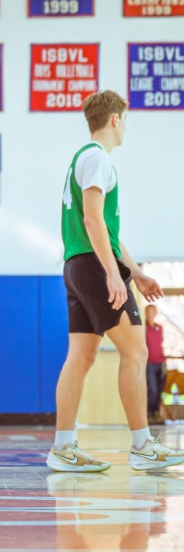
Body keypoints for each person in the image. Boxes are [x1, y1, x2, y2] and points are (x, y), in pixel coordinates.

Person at [47, 89, 184, 473]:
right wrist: (112, 272)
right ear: (114, 119)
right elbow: (93, 221)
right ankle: (142, 446)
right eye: (125, 120)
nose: (125, 127)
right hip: (93, 265)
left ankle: (63, 447)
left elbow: (106, 230)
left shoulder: (85, 158)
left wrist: (135, 271)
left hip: (77, 264)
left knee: (81, 356)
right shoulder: (97, 158)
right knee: (136, 352)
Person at [145, 304, 166, 422]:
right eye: (148, 311)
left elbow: (160, 344)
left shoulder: (159, 328)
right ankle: (149, 412)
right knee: (152, 390)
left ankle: (156, 413)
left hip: (161, 363)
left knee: (159, 390)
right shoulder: (143, 328)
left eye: (153, 311)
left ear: (156, 313)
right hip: (149, 364)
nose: (151, 314)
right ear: (145, 313)